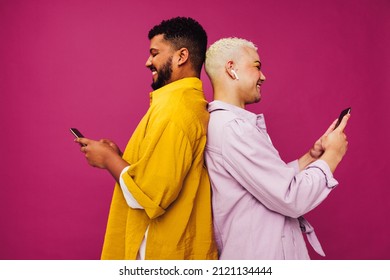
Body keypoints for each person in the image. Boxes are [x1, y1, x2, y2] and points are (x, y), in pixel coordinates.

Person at [76, 17, 218, 260]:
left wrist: (108, 160)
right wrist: (120, 158)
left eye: (155, 53)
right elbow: (163, 177)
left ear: (181, 56)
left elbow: (149, 197)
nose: (148, 62)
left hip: (161, 255)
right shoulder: (187, 104)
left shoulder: (175, 111)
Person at [204, 37, 350, 259]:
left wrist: (311, 157)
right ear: (231, 68)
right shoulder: (234, 128)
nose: (263, 76)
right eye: (257, 67)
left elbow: (269, 183)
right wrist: (333, 155)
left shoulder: (231, 125)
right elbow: (292, 197)